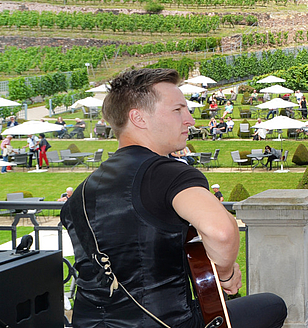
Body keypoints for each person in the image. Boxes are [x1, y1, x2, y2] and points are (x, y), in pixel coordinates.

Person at [60, 68, 286, 328]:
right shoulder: (167, 173)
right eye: (178, 110)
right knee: (272, 305)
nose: (189, 119)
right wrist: (225, 274)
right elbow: (221, 231)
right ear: (138, 118)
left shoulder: (80, 192)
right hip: (168, 322)